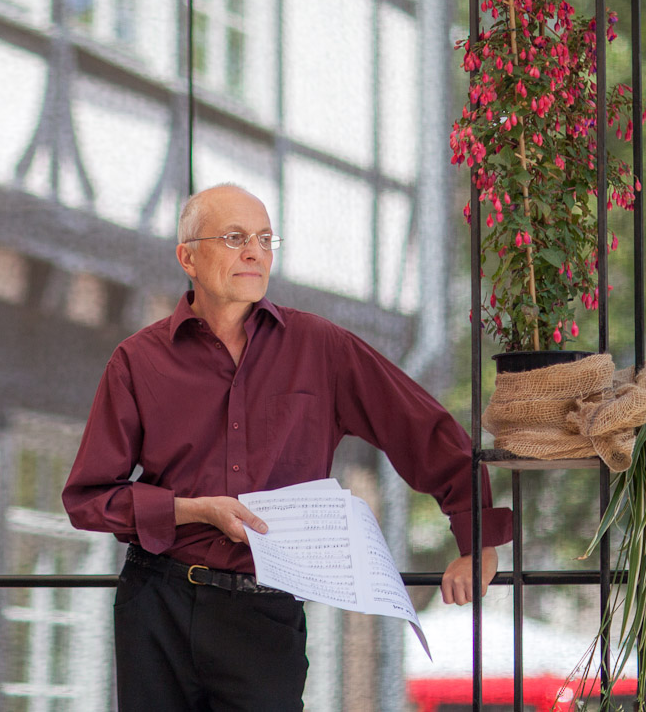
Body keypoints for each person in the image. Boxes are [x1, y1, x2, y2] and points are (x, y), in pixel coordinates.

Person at [62, 184, 512, 712]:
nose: (254, 252)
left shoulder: (321, 348)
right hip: (156, 605)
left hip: (263, 613)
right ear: (187, 257)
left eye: (265, 239)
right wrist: (193, 510)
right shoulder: (137, 361)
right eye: (235, 238)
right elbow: (88, 499)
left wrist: (478, 537)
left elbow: (421, 428)